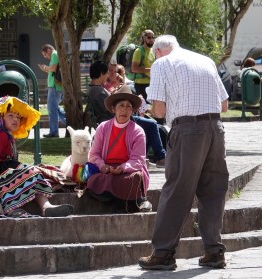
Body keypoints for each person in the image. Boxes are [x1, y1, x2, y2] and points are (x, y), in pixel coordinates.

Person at [139, 35, 229, 270]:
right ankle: (214, 251)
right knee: (213, 191)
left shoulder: (161, 64)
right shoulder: (205, 60)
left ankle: (162, 254)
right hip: (216, 129)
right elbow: (224, 105)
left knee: (177, 190)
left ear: (158, 51)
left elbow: (159, 111)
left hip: (187, 130)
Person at [0, 96, 73, 218]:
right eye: (11, 116)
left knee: (32, 174)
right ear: (1, 116)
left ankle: (46, 207)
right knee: (29, 174)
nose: (15, 120)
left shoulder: (4, 133)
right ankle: (14, 209)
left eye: (18, 117)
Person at [88, 61, 166, 168]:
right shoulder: (98, 92)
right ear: (101, 73)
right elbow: (110, 109)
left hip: (118, 118)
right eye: (106, 73)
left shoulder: (94, 89)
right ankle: (160, 157)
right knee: (152, 125)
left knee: (154, 126)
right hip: (118, 119)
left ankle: (150, 156)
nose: (107, 76)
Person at [87, 90, 152, 212]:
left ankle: (127, 198)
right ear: (113, 109)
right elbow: (94, 154)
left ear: (132, 111)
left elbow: (138, 159)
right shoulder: (103, 128)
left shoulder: (137, 131)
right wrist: (103, 167)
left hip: (128, 171)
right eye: (121, 105)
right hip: (107, 170)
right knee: (93, 180)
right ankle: (124, 198)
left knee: (134, 178)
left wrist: (123, 167)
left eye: (129, 107)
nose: (124, 110)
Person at [38, 44, 66, 138]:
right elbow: (53, 71)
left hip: (54, 86)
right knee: (55, 108)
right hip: (55, 86)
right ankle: (70, 122)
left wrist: (45, 67)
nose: (45, 57)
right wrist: (45, 69)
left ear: (49, 50)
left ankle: (54, 132)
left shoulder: (54, 54)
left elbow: (53, 69)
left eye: (45, 54)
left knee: (51, 108)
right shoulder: (56, 55)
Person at [131, 29, 156, 100]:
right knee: (143, 109)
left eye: (153, 37)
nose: (151, 39)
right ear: (144, 39)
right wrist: (151, 70)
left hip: (151, 83)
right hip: (140, 85)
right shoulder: (139, 51)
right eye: (149, 37)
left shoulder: (152, 51)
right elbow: (134, 69)